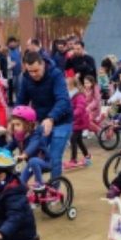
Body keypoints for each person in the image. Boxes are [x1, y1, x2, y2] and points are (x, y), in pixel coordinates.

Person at [17, 51, 73, 182]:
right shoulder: (25, 78)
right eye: (30, 71)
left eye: (36, 70)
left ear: (43, 64)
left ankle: (54, 190)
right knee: (33, 155)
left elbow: (63, 100)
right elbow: (21, 102)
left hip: (62, 121)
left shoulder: (56, 74)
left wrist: (51, 118)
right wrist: (15, 120)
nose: (33, 74)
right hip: (40, 121)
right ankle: (20, 187)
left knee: (54, 156)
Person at [64, 76, 91, 169]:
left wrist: (71, 115)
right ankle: (87, 155)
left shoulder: (79, 95)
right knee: (78, 140)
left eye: (67, 85)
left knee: (73, 139)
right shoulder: (70, 94)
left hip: (80, 121)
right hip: (76, 121)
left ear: (72, 85)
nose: (66, 86)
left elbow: (80, 109)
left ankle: (73, 159)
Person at [6, 36, 22, 106]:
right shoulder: (7, 51)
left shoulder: (18, 51)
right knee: (11, 87)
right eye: (11, 42)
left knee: (18, 87)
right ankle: (10, 101)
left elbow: (20, 60)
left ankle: (18, 101)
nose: (12, 44)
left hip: (18, 72)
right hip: (10, 73)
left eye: (13, 42)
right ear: (8, 43)